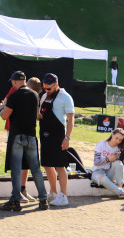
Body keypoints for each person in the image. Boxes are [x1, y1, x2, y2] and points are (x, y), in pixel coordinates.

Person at [0, 71, 48, 212]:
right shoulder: (34, 95)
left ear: (14, 82)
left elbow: (4, 116)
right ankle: (43, 199)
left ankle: (15, 200)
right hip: (31, 136)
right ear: (25, 81)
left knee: (16, 169)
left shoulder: (13, 96)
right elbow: (38, 115)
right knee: (36, 169)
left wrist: (2, 107)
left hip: (17, 136)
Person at [39, 73, 75, 206]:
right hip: (45, 136)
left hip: (59, 136)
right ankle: (53, 192)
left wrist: (67, 138)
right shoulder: (44, 97)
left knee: (60, 166)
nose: (46, 91)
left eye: (49, 89)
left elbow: (71, 119)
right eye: (44, 89)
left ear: (56, 85)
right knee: (47, 164)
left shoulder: (66, 97)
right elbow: (41, 115)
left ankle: (63, 196)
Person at [91, 129, 124, 200]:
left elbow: (118, 166)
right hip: (97, 172)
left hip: (109, 172)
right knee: (103, 179)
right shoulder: (101, 144)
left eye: (120, 140)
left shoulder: (117, 149)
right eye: (116, 138)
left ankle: (120, 188)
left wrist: (115, 158)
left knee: (119, 164)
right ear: (112, 134)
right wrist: (108, 159)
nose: (117, 141)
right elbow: (96, 162)